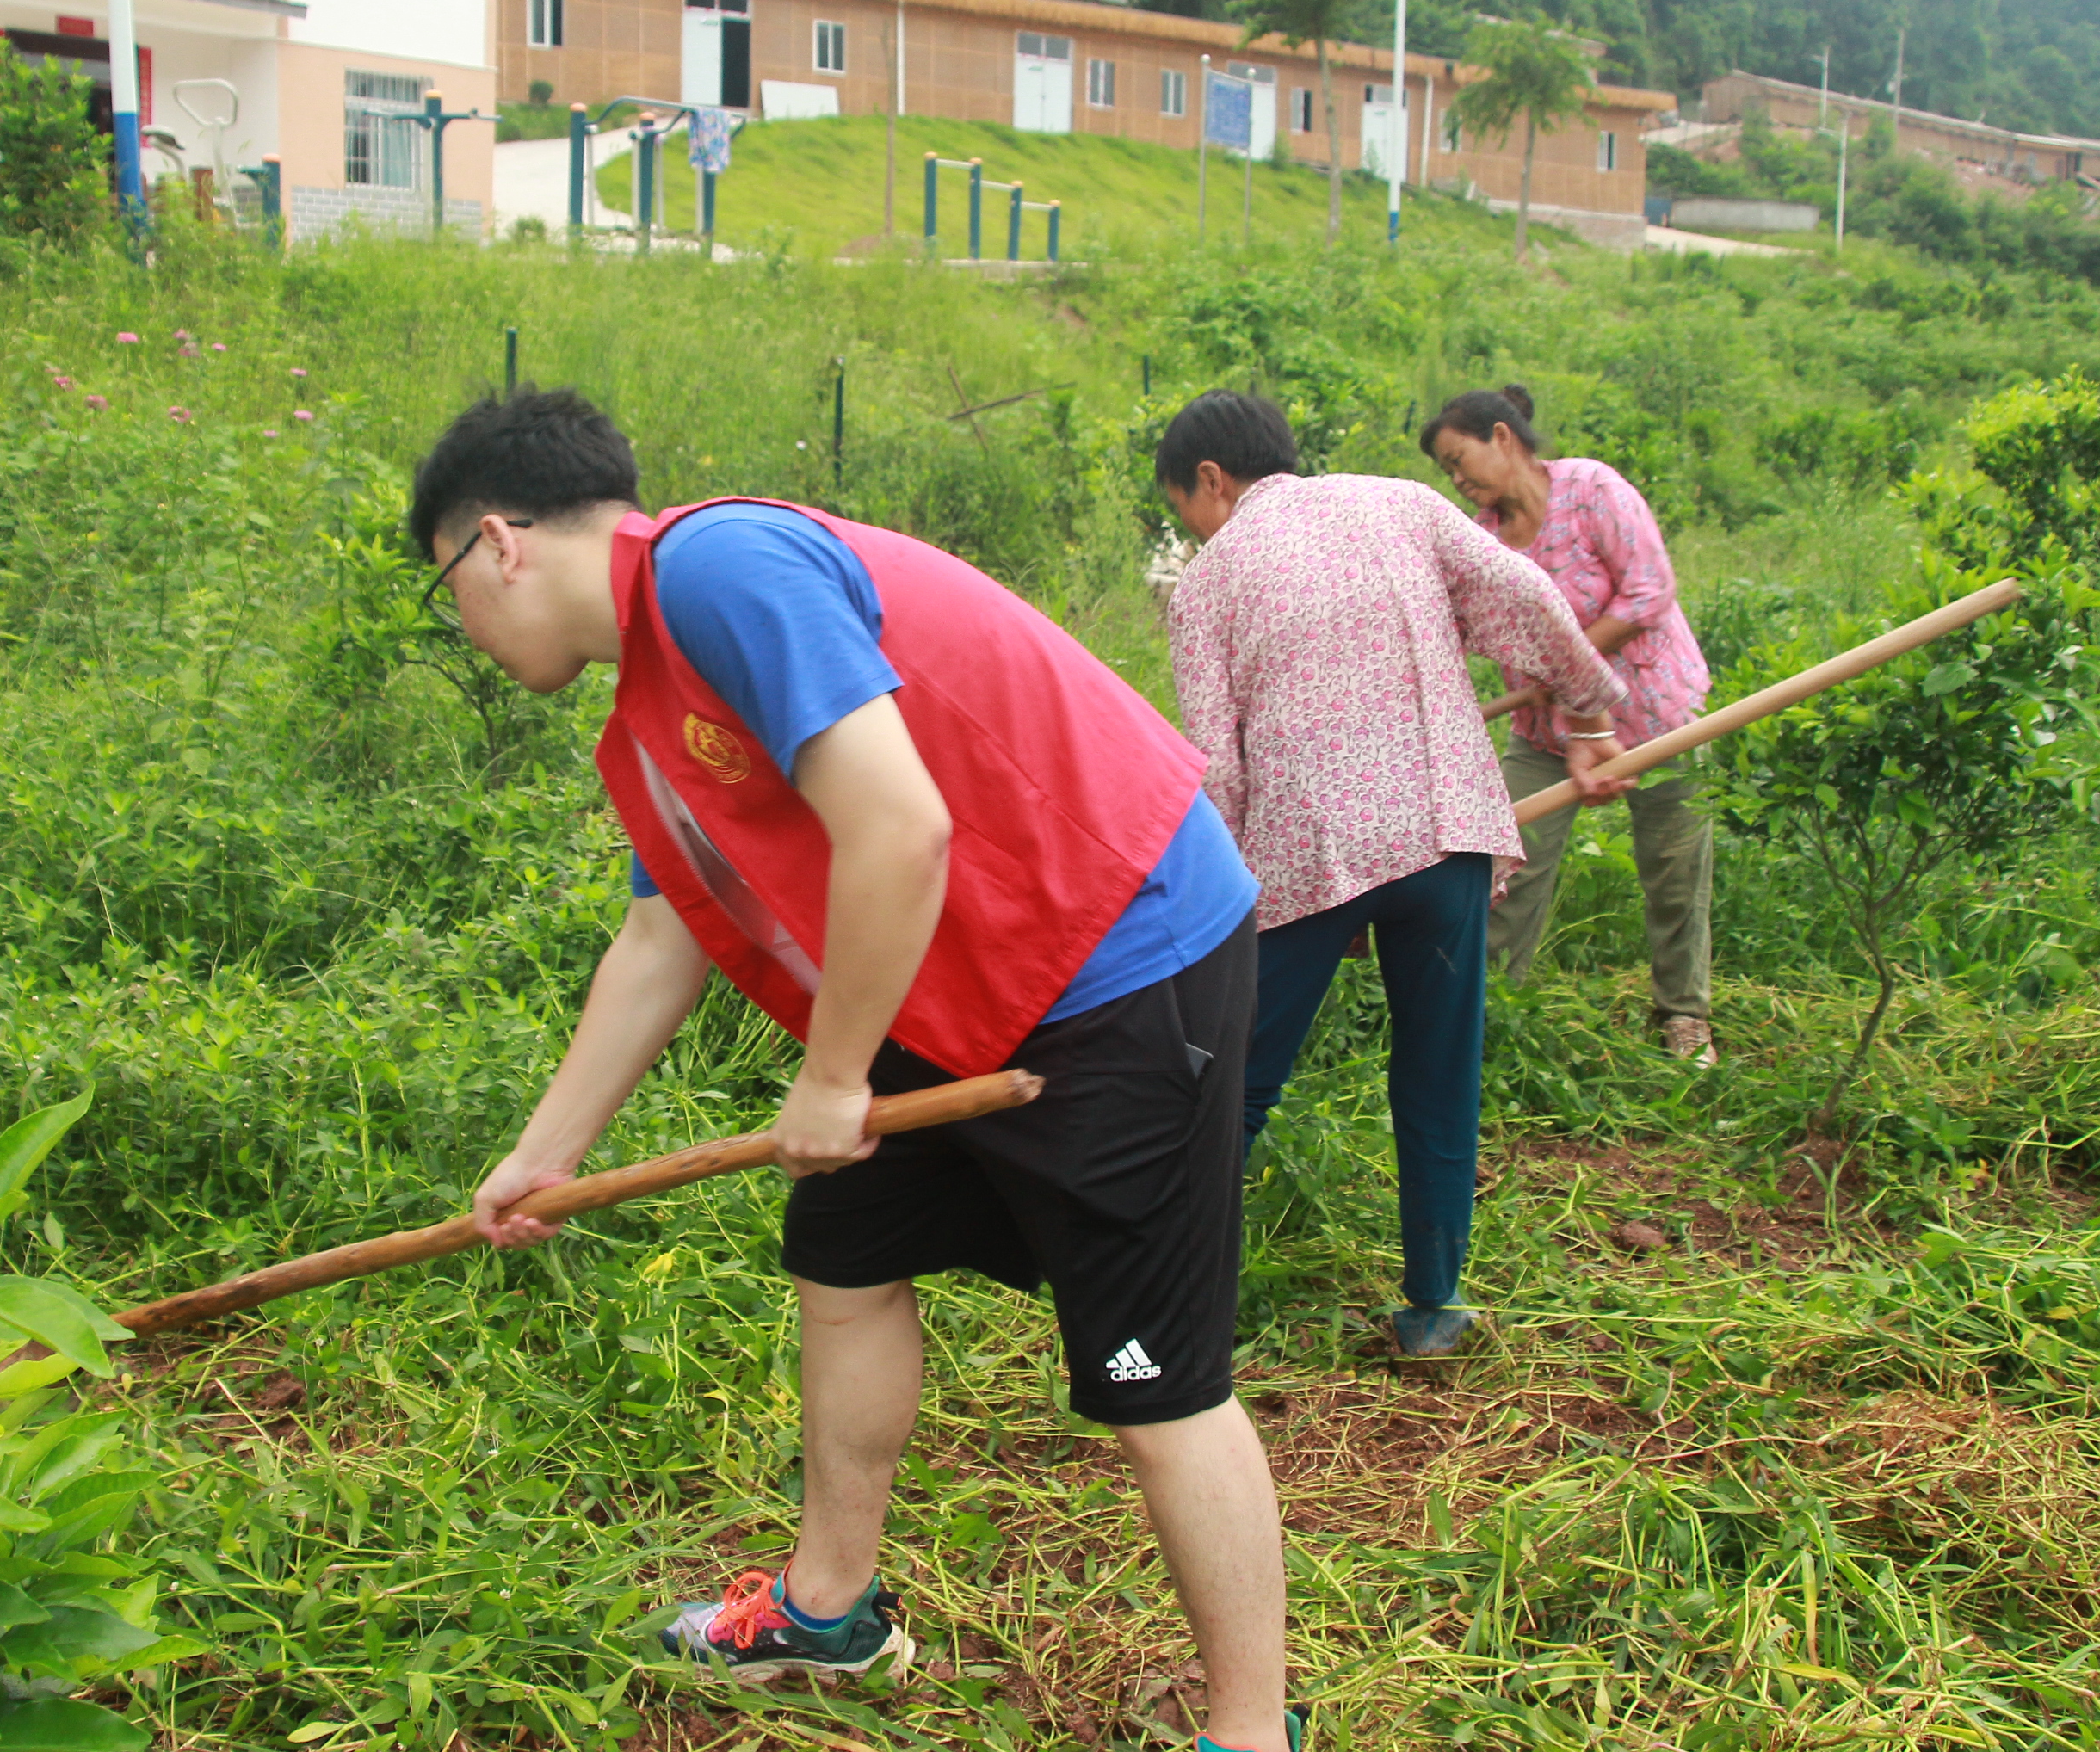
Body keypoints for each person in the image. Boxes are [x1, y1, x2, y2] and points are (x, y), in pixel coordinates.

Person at [420, 388, 1300, 1752]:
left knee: (1156, 1380)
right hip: (953, 982)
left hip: (1117, 950)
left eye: (445, 593)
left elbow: (900, 827)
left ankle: (1250, 1734)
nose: (464, 630)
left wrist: (832, 1083)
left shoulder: (721, 568)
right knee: (843, 1258)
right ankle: (829, 1611)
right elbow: (661, 938)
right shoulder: (650, 705)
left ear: (496, 543)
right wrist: (550, 1153)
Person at [1158, 392, 1628, 1360]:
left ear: (1212, 481)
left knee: (1235, 1090)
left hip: (1306, 855)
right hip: (1445, 832)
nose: (1193, 531)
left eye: (1184, 510)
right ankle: (1435, 1311)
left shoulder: (1209, 585)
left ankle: (1168, 1310)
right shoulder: (1399, 503)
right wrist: (1591, 717)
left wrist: (1216, 922)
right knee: (1437, 1075)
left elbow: (1220, 772)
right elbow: (1530, 605)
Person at [1423, 386, 1720, 1064]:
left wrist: (1565, 668)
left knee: (1675, 871)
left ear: (1503, 437)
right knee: (1505, 866)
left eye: (1460, 459)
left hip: (1657, 716)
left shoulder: (1590, 489)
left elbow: (1649, 592)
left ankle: (1684, 1016)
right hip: (1545, 735)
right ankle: (1487, 1014)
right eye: (1449, 472)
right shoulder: (1481, 543)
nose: (1460, 479)